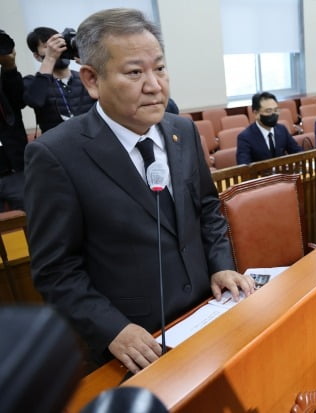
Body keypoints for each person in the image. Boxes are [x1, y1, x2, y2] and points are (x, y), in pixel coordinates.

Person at [24, 8, 255, 372]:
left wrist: (221, 266)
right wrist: (113, 329)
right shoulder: (56, 155)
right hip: (136, 344)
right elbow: (56, 270)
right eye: (135, 72)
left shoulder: (183, 131)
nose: (155, 85)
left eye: (159, 68)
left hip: (205, 314)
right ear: (91, 79)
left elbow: (207, 209)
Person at [24, 27, 96, 132]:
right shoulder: (32, 82)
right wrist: (50, 58)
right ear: (37, 56)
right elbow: (35, 101)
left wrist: (92, 64)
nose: (57, 49)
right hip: (56, 145)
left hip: (93, 138)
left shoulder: (87, 77)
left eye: (59, 43)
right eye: (48, 46)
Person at [0, 31, 27, 210]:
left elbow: (19, 101)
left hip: (14, 170)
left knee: (32, 225)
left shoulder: (4, 80)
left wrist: (10, 68)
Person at [236, 91, 301, 164]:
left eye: (276, 110)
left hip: (282, 174)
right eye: (268, 111)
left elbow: (297, 152)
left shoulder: (282, 129)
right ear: (256, 113)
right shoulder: (245, 137)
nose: (274, 114)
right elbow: (243, 166)